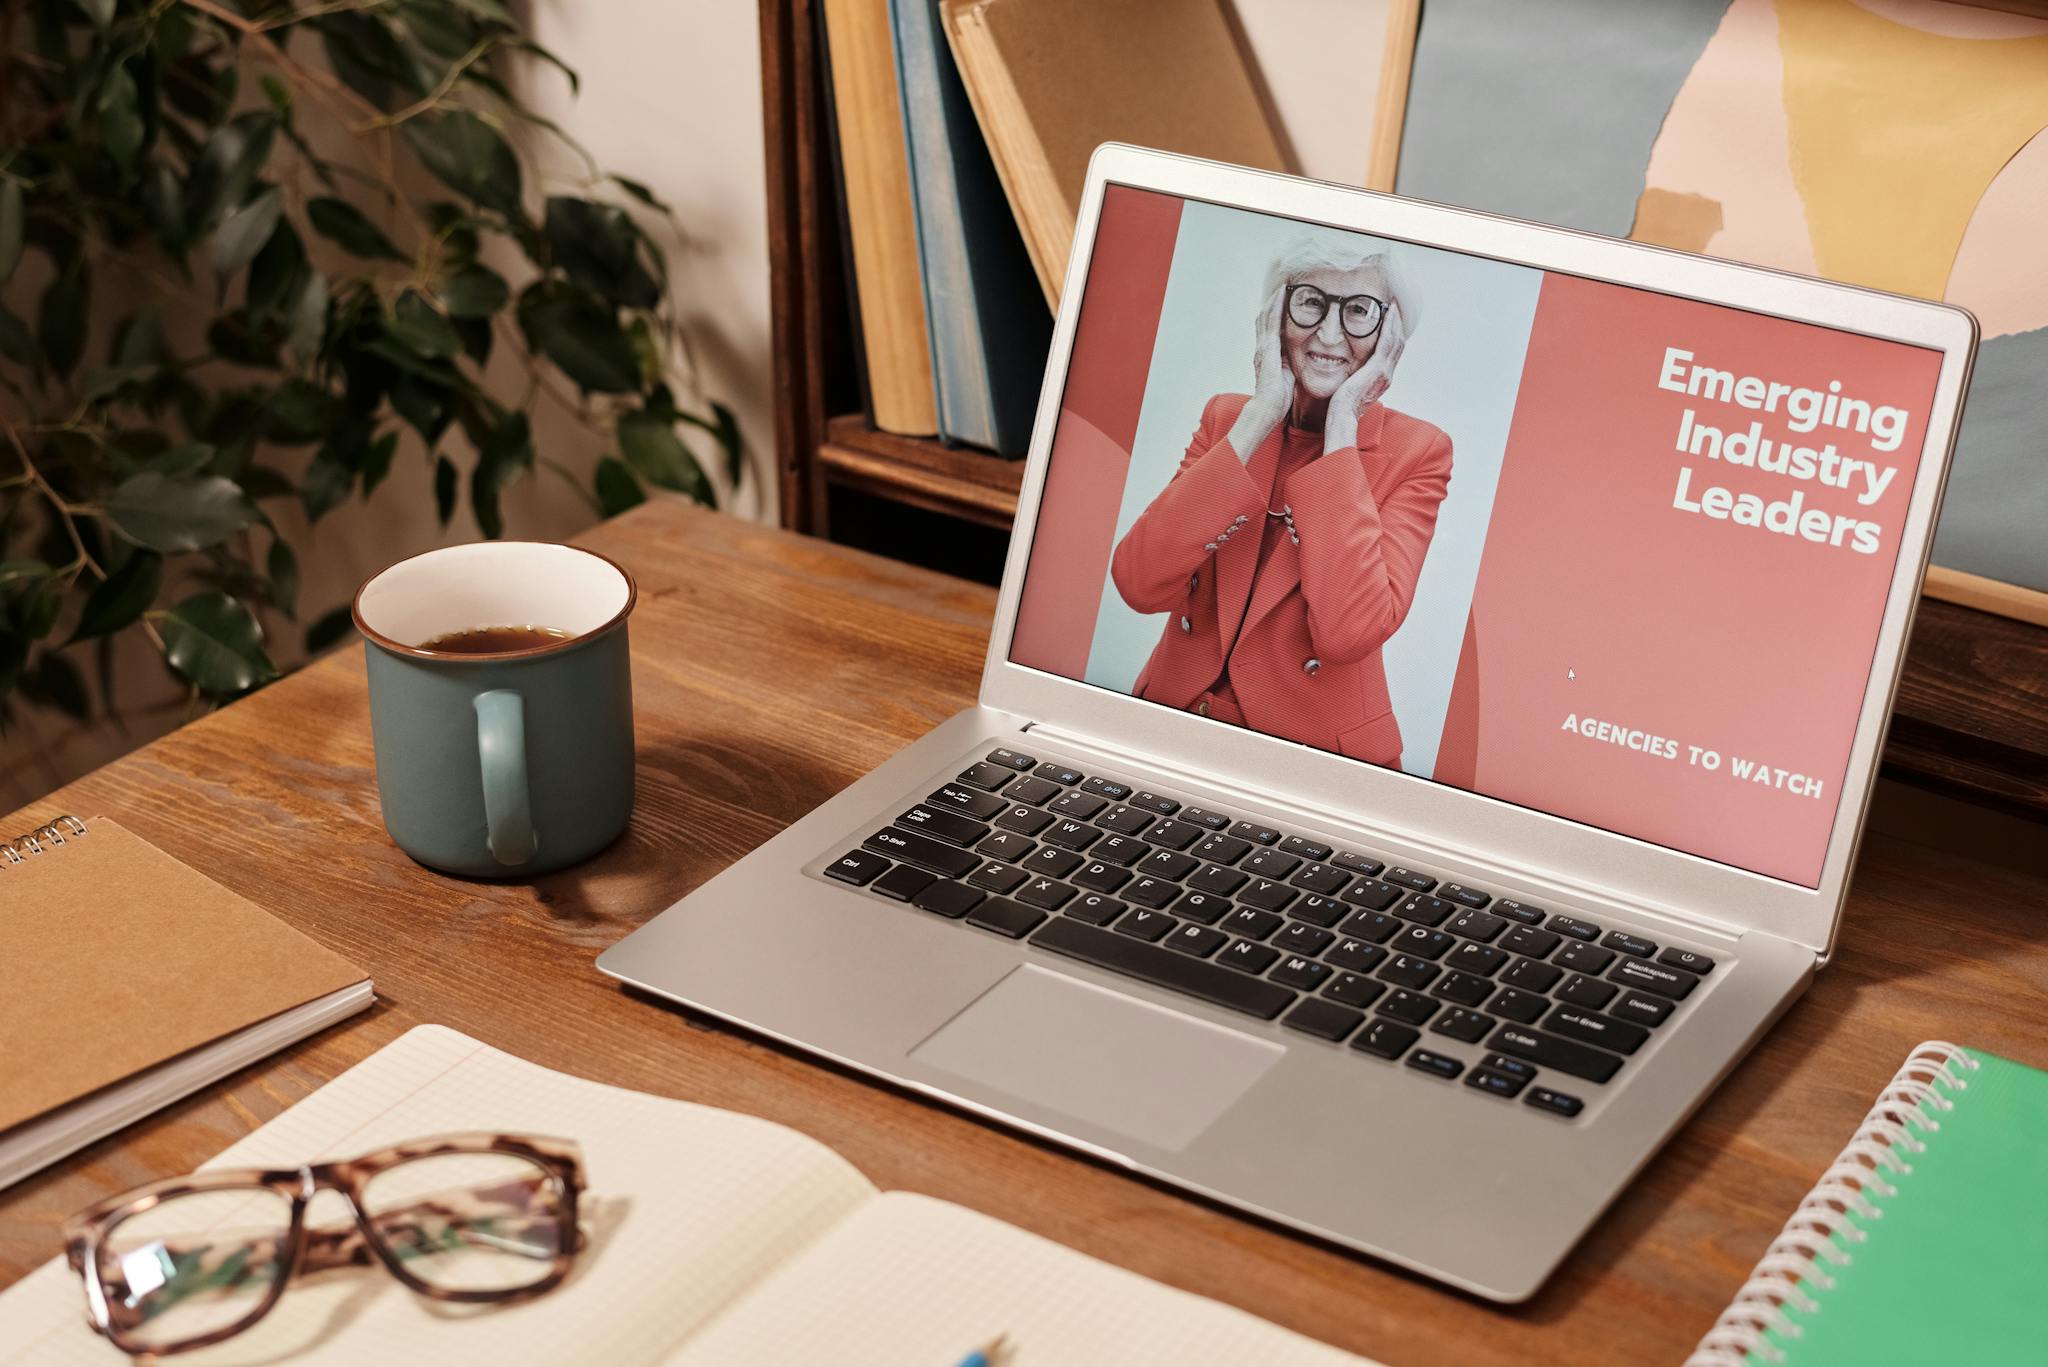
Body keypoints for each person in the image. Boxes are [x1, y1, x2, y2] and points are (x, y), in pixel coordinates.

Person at [1110, 236, 1453, 768]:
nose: (1330, 333)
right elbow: (1139, 581)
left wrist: (1343, 425)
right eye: (1311, 301)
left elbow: (1349, 632)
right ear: (1276, 315)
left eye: (1359, 311)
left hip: (1312, 762)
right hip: (1169, 728)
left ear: (1391, 336)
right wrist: (1259, 415)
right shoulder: (1227, 419)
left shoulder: (1419, 452)